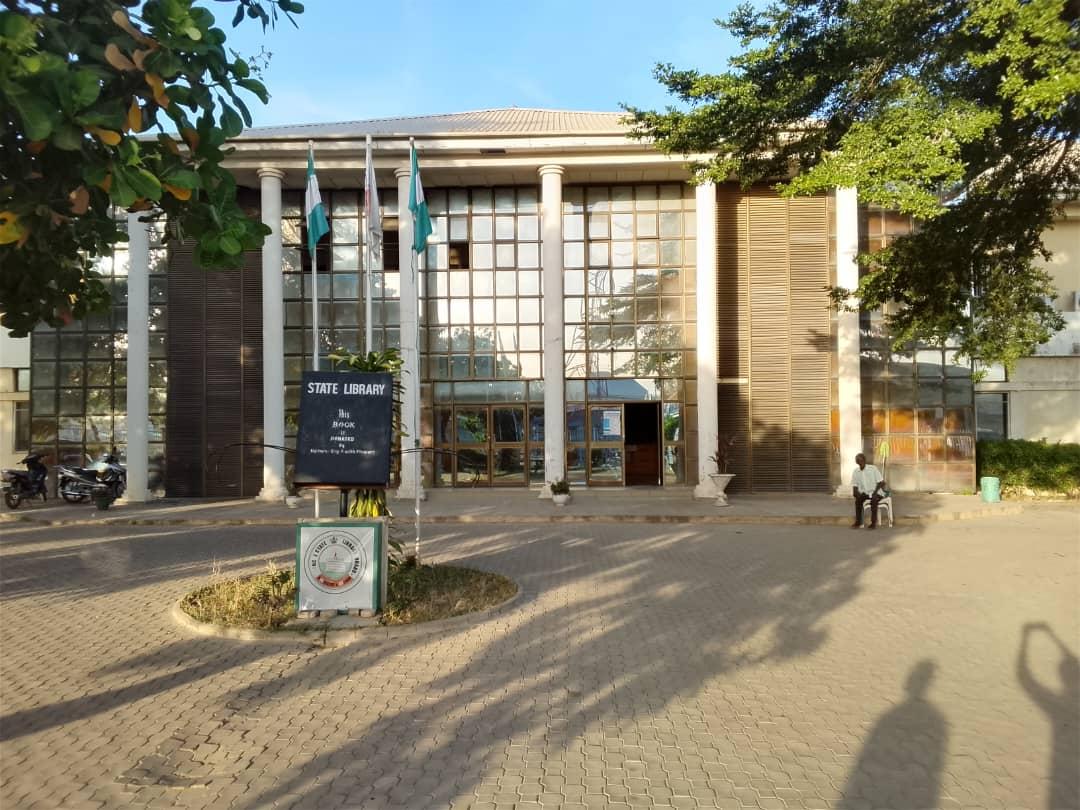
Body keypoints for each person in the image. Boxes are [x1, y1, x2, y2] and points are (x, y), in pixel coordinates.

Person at [851, 453, 886, 529]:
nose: (860, 462)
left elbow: (881, 482)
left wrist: (875, 492)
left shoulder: (873, 469)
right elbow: (854, 486)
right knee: (858, 501)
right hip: (865, 493)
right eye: (858, 461)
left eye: (861, 460)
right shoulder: (855, 472)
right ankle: (858, 522)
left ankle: (873, 523)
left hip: (876, 492)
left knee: (874, 500)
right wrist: (856, 493)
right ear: (856, 462)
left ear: (865, 460)